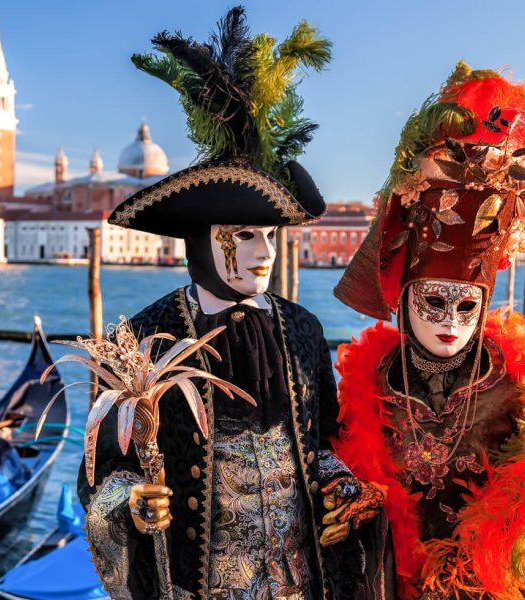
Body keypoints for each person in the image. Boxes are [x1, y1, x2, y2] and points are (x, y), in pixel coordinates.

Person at [78, 7, 382, 599]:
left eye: (269, 236)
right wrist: (134, 504)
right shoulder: (143, 338)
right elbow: (98, 478)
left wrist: (341, 484)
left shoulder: (302, 328)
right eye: (244, 235)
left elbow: (321, 442)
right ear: (201, 239)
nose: (262, 252)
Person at [331, 62, 525, 599]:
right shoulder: (371, 385)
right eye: (433, 301)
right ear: (405, 301)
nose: (450, 320)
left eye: (466, 305)